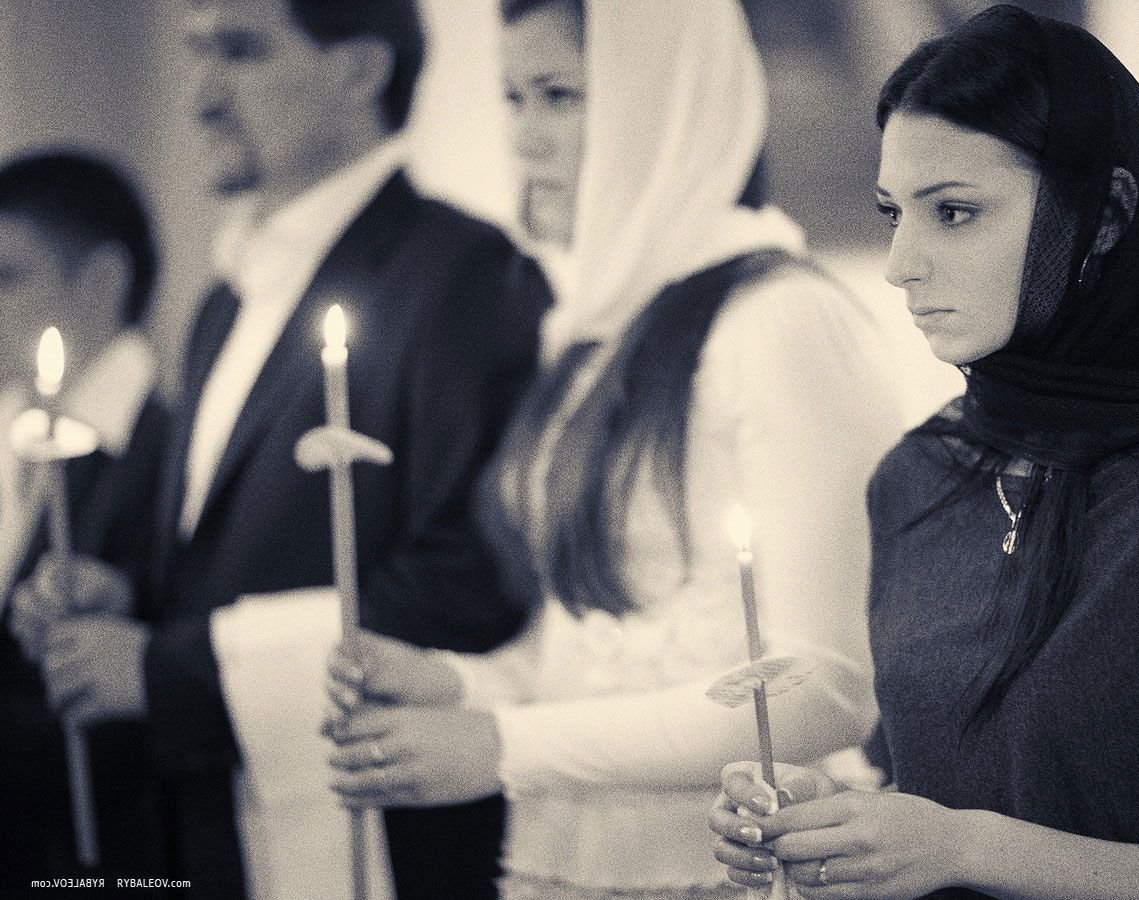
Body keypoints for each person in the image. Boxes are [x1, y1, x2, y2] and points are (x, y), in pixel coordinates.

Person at [711, 6, 1139, 899]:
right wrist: (838, 815)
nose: (901, 262)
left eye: (955, 212)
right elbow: (930, 783)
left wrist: (966, 848)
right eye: (893, 214)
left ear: (1104, 216)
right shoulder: (917, 478)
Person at [323, 1, 908, 898]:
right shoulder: (596, 332)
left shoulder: (782, 320)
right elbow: (586, 652)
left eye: (560, 96)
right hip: (572, 861)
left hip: (728, 864)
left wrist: (502, 745)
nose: (526, 137)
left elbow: (824, 685)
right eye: (513, 98)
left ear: (665, 100)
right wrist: (455, 685)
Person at [16, 0, 548, 896]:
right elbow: (228, 560)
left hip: (378, 833)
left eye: (240, 51)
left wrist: (165, 672)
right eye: (196, 52)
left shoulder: (465, 272)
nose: (201, 93)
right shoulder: (222, 303)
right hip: (216, 820)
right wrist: (129, 596)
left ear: (360, 70)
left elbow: (472, 578)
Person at [0, 151, 169, 892]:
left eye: (7, 275)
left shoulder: (168, 453)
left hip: (96, 858)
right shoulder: (9, 421)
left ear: (102, 280)